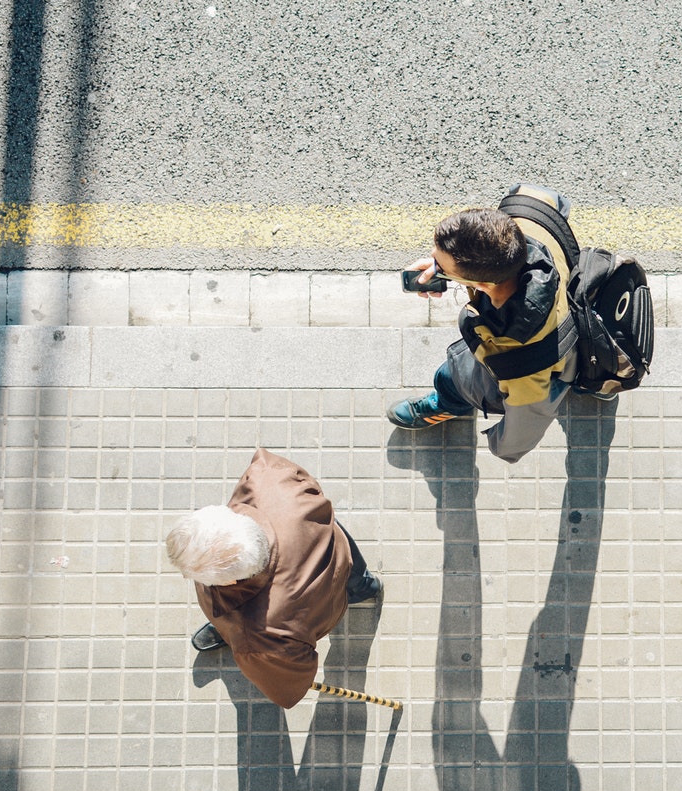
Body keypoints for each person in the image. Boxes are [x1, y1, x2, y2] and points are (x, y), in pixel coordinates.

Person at [165, 447, 382, 709]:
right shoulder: (265, 478)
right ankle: (366, 587)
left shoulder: (259, 636)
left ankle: (228, 627)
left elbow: (289, 685)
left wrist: (243, 639)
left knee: (237, 625)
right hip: (330, 543)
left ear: (231, 583)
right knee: (356, 577)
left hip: (313, 611)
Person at [386, 185, 578, 464]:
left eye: (441, 264)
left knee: (451, 377)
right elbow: (556, 201)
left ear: (483, 285)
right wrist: (449, 271)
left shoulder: (520, 363)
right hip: (569, 315)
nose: (433, 264)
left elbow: (522, 429)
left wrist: (500, 446)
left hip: (541, 359)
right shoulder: (528, 210)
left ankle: (449, 403)